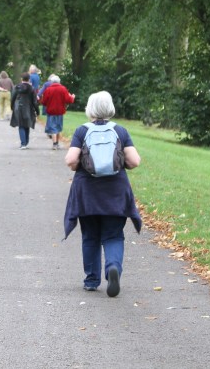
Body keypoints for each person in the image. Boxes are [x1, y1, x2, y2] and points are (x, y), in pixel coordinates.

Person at [63, 91, 142, 297]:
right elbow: (134, 161)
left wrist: (82, 164)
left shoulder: (82, 131)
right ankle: (112, 267)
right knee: (113, 235)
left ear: (90, 109)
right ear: (110, 108)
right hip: (115, 191)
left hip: (87, 192)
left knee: (90, 236)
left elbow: (71, 160)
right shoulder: (120, 131)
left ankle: (91, 280)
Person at [39, 74, 75, 149]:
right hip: (60, 111)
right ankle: (57, 143)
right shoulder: (63, 89)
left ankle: (55, 144)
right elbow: (68, 100)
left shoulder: (48, 89)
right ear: (59, 82)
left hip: (51, 111)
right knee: (58, 127)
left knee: (53, 127)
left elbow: (44, 102)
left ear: (51, 82)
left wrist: (43, 101)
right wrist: (72, 97)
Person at [9, 73, 38, 149]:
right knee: (27, 125)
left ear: (21, 79)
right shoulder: (32, 89)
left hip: (19, 108)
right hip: (28, 108)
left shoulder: (17, 87)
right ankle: (26, 142)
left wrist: (12, 107)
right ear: (29, 79)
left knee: (21, 125)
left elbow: (13, 98)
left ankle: (23, 144)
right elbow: (35, 101)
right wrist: (37, 111)